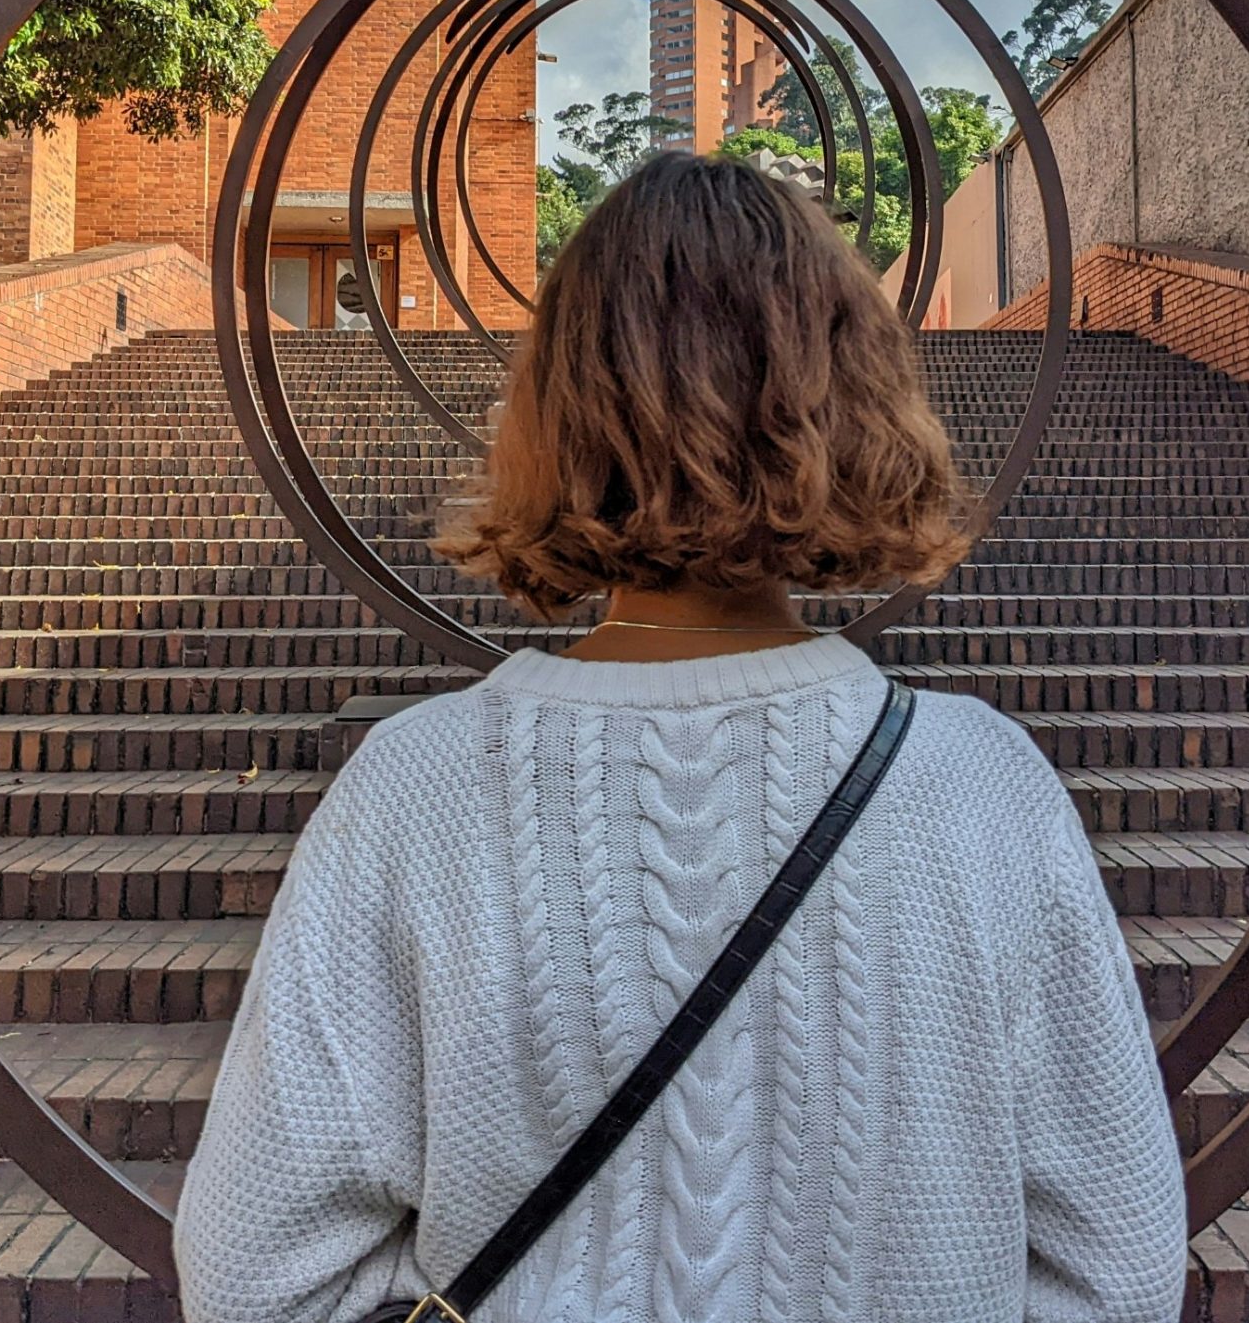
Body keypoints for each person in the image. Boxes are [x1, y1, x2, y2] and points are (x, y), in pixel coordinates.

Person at [175, 151, 1187, 1322]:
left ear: (554, 416)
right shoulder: (983, 786)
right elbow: (1114, 1266)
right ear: (852, 399)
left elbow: (260, 1272)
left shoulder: (415, 793)